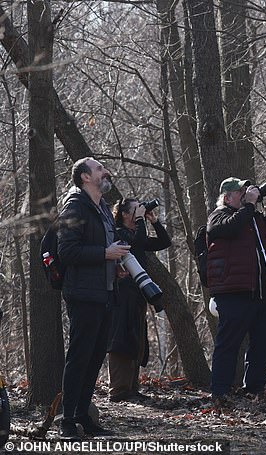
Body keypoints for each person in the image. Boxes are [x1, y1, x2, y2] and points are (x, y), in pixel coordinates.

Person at [57, 157, 131, 440]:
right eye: (100, 168)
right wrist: (104, 254)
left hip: (107, 293)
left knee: (96, 356)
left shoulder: (101, 207)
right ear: (85, 177)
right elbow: (68, 251)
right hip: (83, 295)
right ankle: (66, 421)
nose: (106, 171)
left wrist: (116, 266)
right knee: (79, 358)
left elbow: (105, 249)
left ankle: (83, 417)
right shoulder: (74, 206)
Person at [207, 177, 266, 399]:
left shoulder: (254, 218)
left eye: (247, 192)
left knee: (262, 345)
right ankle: (219, 392)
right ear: (227, 197)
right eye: (241, 193)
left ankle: (254, 389)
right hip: (235, 292)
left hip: (264, 292)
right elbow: (229, 228)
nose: (246, 195)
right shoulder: (219, 216)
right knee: (228, 344)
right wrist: (250, 205)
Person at [108, 198, 172, 402]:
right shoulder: (118, 233)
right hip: (122, 293)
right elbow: (139, 241)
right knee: (122, 340)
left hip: (137, 293)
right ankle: (119, 389)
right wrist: (142, 222)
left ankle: (132, 388)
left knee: (137, 339)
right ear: (125, 214)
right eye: (135, 210)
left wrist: (153, 221)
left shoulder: (136, 234)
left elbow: (164, 242)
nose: (140, 213)